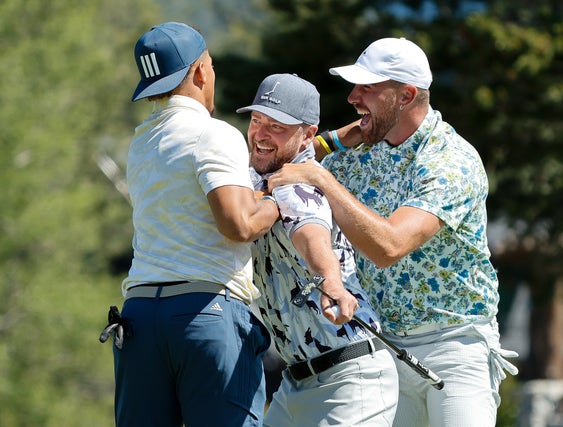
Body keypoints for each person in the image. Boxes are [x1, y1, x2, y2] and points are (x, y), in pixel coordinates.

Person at [268, 37, 519, 427]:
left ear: (406, 95)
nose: (353, 97)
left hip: (455, 347)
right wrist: (331, 141)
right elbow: (283, 164)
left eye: (367, 88)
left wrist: (324, 179)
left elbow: (390, 246)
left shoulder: (451, 160)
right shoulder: (355, 152)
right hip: (381, 349)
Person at [113, 22, 279, 427]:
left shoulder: (141, 144)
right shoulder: (213, 133)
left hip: (139, 318)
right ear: (201, 71)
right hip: (205, 312)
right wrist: (280, 198)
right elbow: (238, 224)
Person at [237, 73, 399, 426]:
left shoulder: (298, 185)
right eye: (256, 120)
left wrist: (331, 284)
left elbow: (311, 233)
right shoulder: (258, 174)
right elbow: (322, 142)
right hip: (295, 383)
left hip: (350, 380)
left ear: (305, 134)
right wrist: (346, 134)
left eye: (277, 126)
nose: (261, 134)